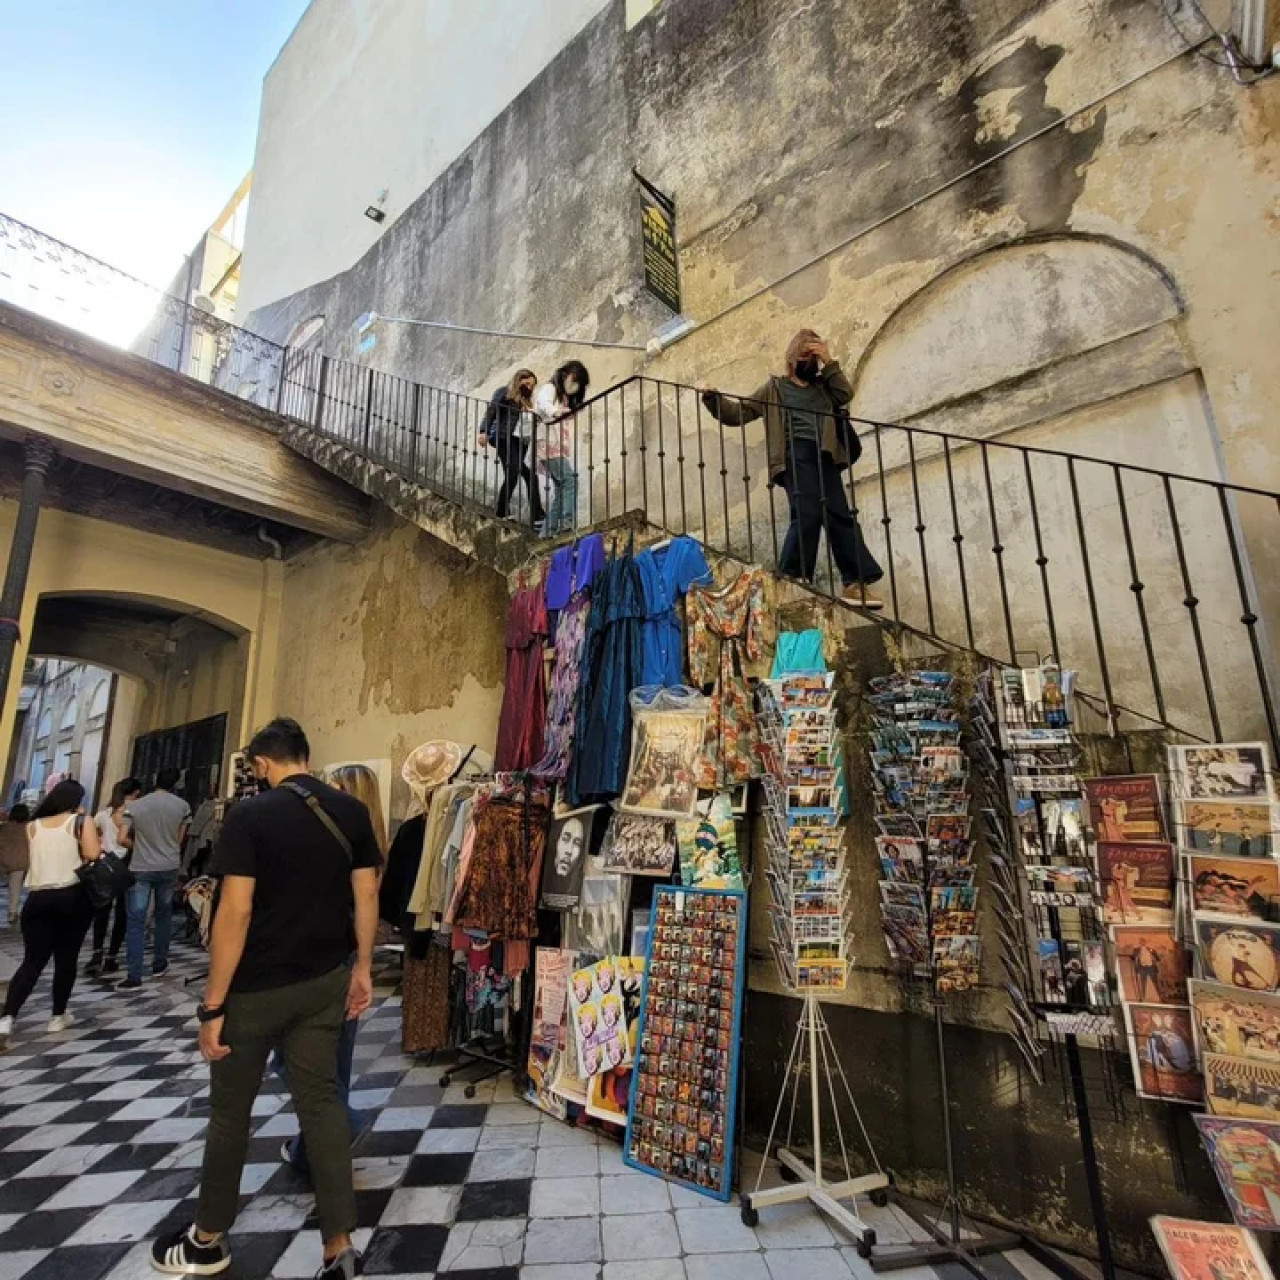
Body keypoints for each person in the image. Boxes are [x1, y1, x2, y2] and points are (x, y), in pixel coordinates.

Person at [150, 719, 380, 1279]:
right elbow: (367, 890)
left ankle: (207, 1241)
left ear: (261, 765)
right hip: (324, 979)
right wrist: (364, 968)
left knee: (231, 1113)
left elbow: (236, 910)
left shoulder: (249, 816)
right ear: (305, 755)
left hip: (255, 988)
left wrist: (213, 1003)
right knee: (321, 1103)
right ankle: (340, 1247)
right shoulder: (350, 811)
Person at [698, 329, 884, 608]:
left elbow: (845, 394)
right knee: (807, 512)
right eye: (805, 355)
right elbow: (737, 414)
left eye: (814, 355)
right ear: (792, 357)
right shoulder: (774, 388)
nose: (810, 360)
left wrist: (829, 360)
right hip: (793, 454)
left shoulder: (825, 387)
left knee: (840, 516)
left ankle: (855, 583)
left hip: (825, 454)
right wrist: (713, 398)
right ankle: (793, 577)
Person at [278, 762, 387, 1180]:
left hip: (326, 959)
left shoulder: (345, 842)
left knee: (294, 1057)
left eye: (337, 788)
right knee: (332, 1060)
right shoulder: (364, 842)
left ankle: (341, 1125)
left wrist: (363, 963)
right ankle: (311, 1149)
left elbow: (363, 901)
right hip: (338, 957)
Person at [0, 781, 101, 1044]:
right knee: (66, 958)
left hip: (37, 898)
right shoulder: (81, 821)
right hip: (71, 895)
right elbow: (92, 853)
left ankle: (7, 1017)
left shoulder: (33, 826)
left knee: (32, 960)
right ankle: (58, 1015)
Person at [118, 767, 191, 991]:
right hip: (169, 864)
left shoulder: (135, 806)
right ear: (176, 783)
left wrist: (138, 846)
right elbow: (180, 840)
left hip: (141, 866)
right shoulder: (182, 806)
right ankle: (159, 964)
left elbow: (121, 838)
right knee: (164, 915)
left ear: (154, 779)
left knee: (136, 919)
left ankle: (134, 974)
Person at [86, 777, 142, 976]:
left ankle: (96, 953)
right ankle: (112, 956)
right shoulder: (135, 811)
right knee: (122, 912)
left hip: (106, 863)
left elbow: (93, 833)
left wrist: (101, 846)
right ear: (135, 792)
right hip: (127, 862)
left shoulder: (103, 814)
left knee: (102, 910)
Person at [479, 368, 545, 528]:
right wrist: (483, 431)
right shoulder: (505, 392)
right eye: (528, 383)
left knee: (530, 475)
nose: (529, 388)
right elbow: (491, 411)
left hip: (520, 441)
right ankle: (502, 511)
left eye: (532, 386)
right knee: (513, 473)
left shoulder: (527, 401)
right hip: (503, 437)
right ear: (520, 379)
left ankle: (537, 516)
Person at [534, 360, 590, 536]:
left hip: (554, 445)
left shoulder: (564, 397)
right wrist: (554, 411)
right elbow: (543, 403)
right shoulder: (550, 388)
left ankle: (546, 532)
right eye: (575, 379)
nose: (575, 385)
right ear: (567, 374)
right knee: (570, 479)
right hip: (548, 444)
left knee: (560, 488)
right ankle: (566, 523)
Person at [0, 804, 30, 926]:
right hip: (23, 861)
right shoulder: (28, 828)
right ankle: (16, 911)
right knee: (19, 888)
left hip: (7, 860)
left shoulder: (5, 827)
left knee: (14, 887)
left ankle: (13, 911)